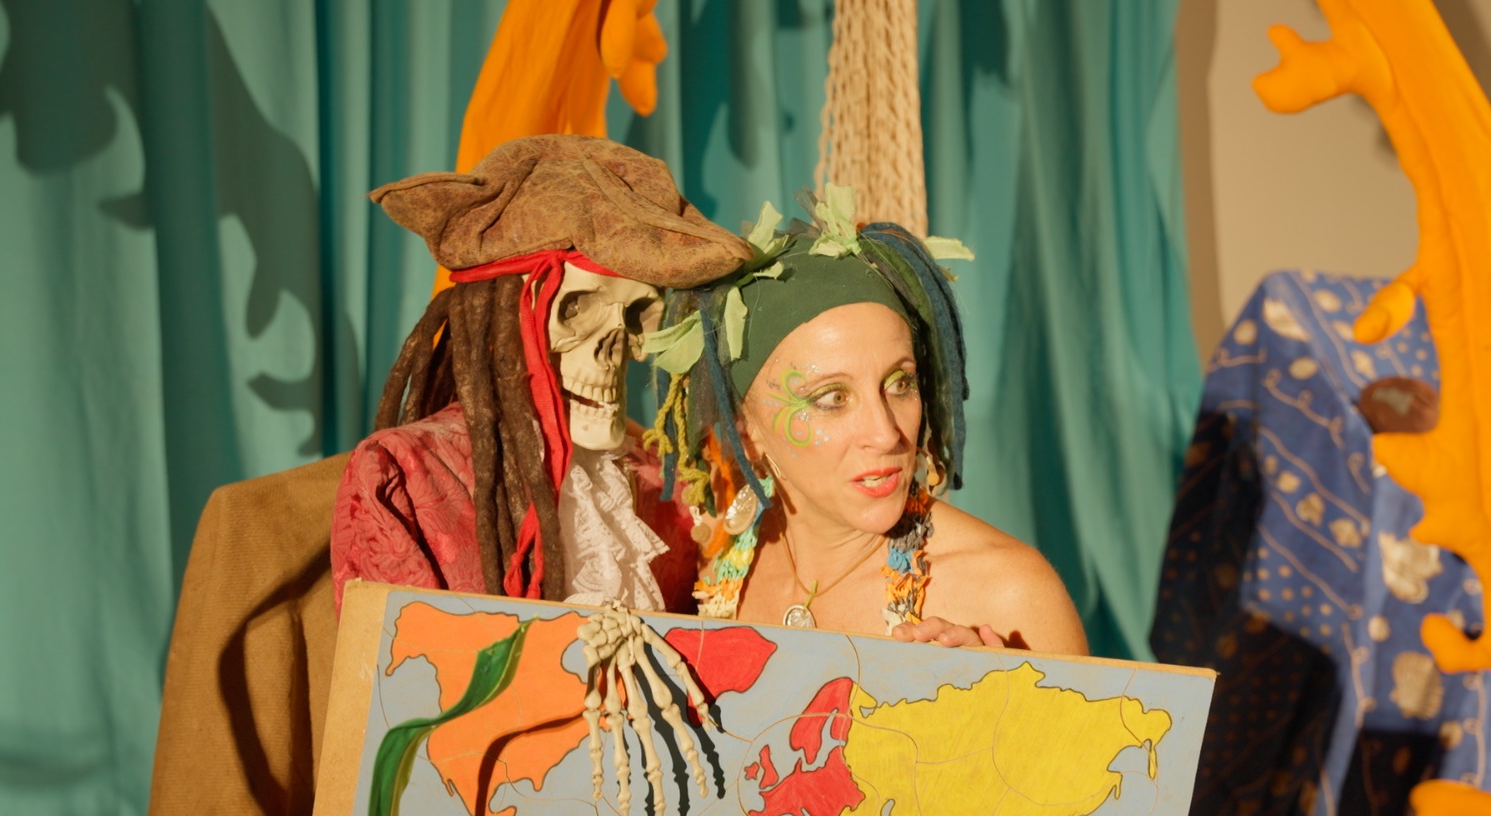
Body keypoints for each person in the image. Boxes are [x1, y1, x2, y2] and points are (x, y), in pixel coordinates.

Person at [645, 188, 1088, 654]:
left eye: (900, 383)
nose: (886, 433)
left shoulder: (1012, 597)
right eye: (833, 398)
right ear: (746, 431)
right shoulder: (706, 557)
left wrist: (998, 698)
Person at [331, 135, 752, 615]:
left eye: (637, 315)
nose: (614, 350)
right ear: (499, 323)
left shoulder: (665, 489)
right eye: (575, 308)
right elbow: (398, 655)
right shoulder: (403, 474)